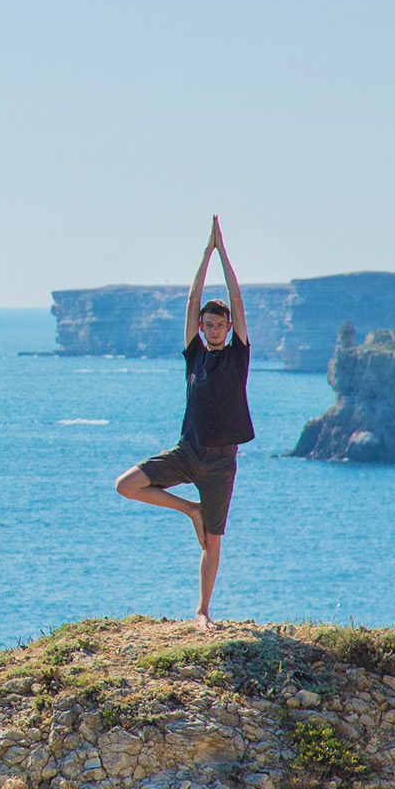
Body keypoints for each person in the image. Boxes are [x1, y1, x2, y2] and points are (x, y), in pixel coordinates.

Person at [115, 216, 255, 631]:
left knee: (213, 541)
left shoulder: (237, 355)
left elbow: (237, 299)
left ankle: (202, 612)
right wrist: (204, 253)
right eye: (206, 324)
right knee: (126, 485)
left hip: (220, 462)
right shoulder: (193, 353)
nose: (211, 329)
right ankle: (190, 510)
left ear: (228, 328)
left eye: (218, 324)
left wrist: (224, 254)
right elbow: (192, 300)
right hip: (186, 451)